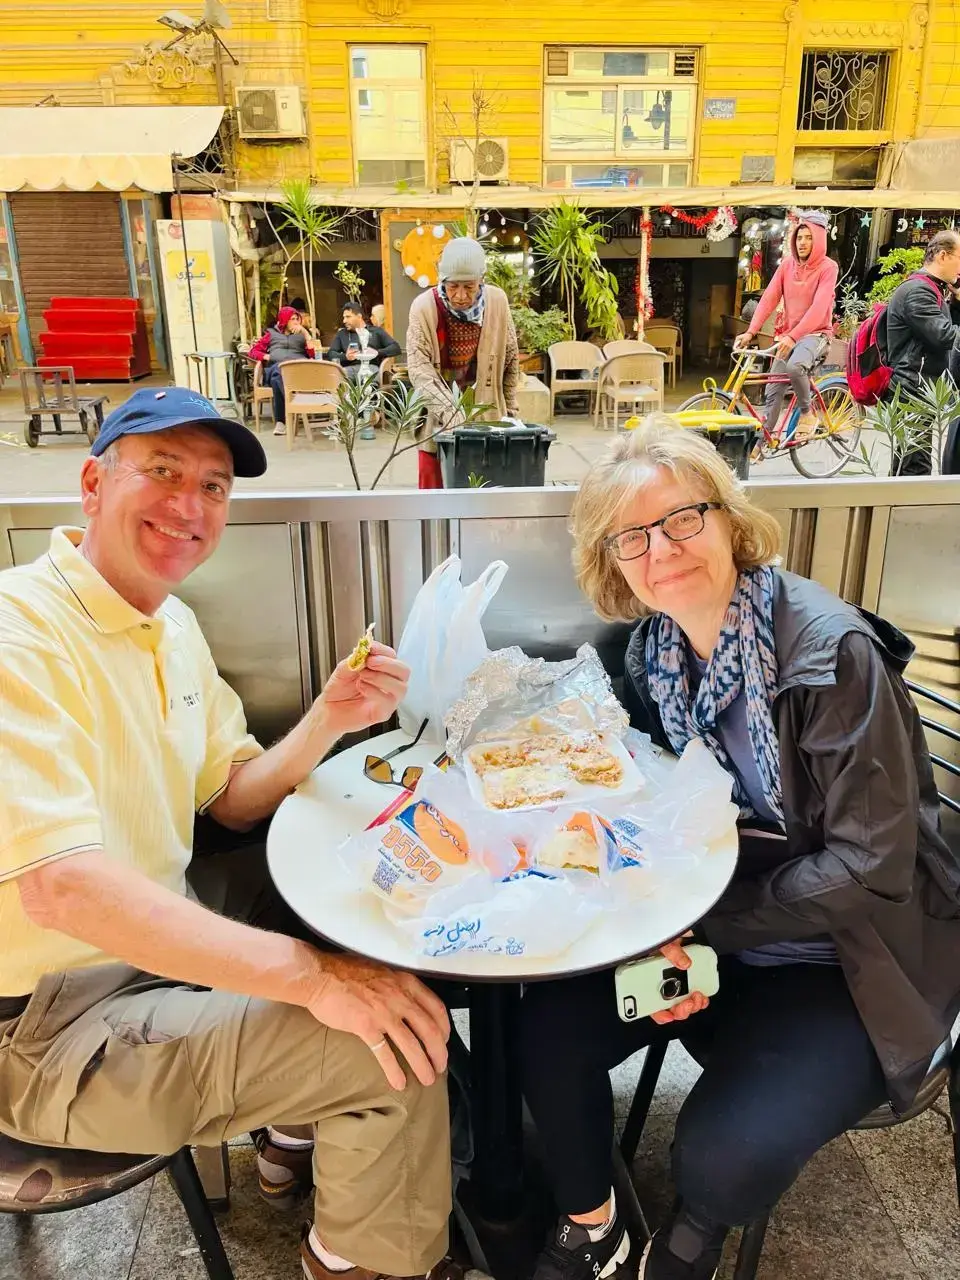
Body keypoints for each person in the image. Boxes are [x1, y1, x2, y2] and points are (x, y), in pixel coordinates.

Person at [0, 387, 462, 1280]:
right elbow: (62, 887)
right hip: (44, 1032)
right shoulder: (19, 631)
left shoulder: (169, 624)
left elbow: (233, 801)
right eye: (163, 472)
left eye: (213, 486)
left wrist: (330, 717)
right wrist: (314, 980)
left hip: (148, 954)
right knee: (393, 1054)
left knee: (354, 903)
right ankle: (359, 1261)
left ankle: (290, 1143)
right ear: (93, 484)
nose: (190, 505)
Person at [520, 415, 960, 1280]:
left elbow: (871, 870)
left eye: (683, 518)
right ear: (614, 563)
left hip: (852, 967)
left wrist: (703, 930)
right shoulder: (655, 657)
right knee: (547, 1027)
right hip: (723, 938)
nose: (662, 549)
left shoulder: (830, 657)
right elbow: (664, 815)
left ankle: (688, 1244)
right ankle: (593, 1226)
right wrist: (661, 928)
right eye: (633, 536)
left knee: (721, 1160)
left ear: (728, 519)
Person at [406, 237, 519, 489]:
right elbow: (419, 369)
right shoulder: (423, 308)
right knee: (433, 496)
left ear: (482, 280)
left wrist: (511, 410)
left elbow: (511, 359)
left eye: (469, 287)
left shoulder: (497, 302)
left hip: (489, 419)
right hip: (437, 422)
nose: (460, 296)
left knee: (487, 494)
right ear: (442, 280)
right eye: (453, 286)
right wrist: (450, 412)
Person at [734, 211, 838, 442]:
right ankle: (762, 443)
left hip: (816, 334)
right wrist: (751, 331)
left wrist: (793, 336)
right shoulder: (787, 265)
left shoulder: (828, 267)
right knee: (772, 388)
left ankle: (807, 413)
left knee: (795, 366)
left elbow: (819, 308)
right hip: (789, 335)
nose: (803, 242)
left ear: (819, 240)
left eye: (809, 237)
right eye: (799, 237)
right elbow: (769, 298)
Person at [884, 229, 960, 475]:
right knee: (915, 467)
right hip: (912, 390)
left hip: (918, 388)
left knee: (908, 462)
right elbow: (944, 336)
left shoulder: (930, 288)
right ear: (943, 256)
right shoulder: (918, 291)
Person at [248, 304, 316, 437]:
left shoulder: (302, 334)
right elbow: (253, 351)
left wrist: (306, 334)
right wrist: (266, 356)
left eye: (297, 319)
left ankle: (282, 421)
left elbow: (312, 355)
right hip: (277, 367)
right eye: (292, 319)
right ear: (284, 320)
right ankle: (290, 410)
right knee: (278, 374)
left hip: (298, 369)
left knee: (277, 379)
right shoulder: (271, 334)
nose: (296, 322)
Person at [327, 301, 401, 379]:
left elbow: (395, 348)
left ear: (359, 316)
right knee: (336, 376)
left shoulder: (376, 331)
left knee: (373, 374)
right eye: (344, 317)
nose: (344, 321)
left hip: (371, 368)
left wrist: (376, 353)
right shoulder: (342, 334)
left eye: (348, 317)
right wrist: (346, 357)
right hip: (349, 370)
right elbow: (331, 354)